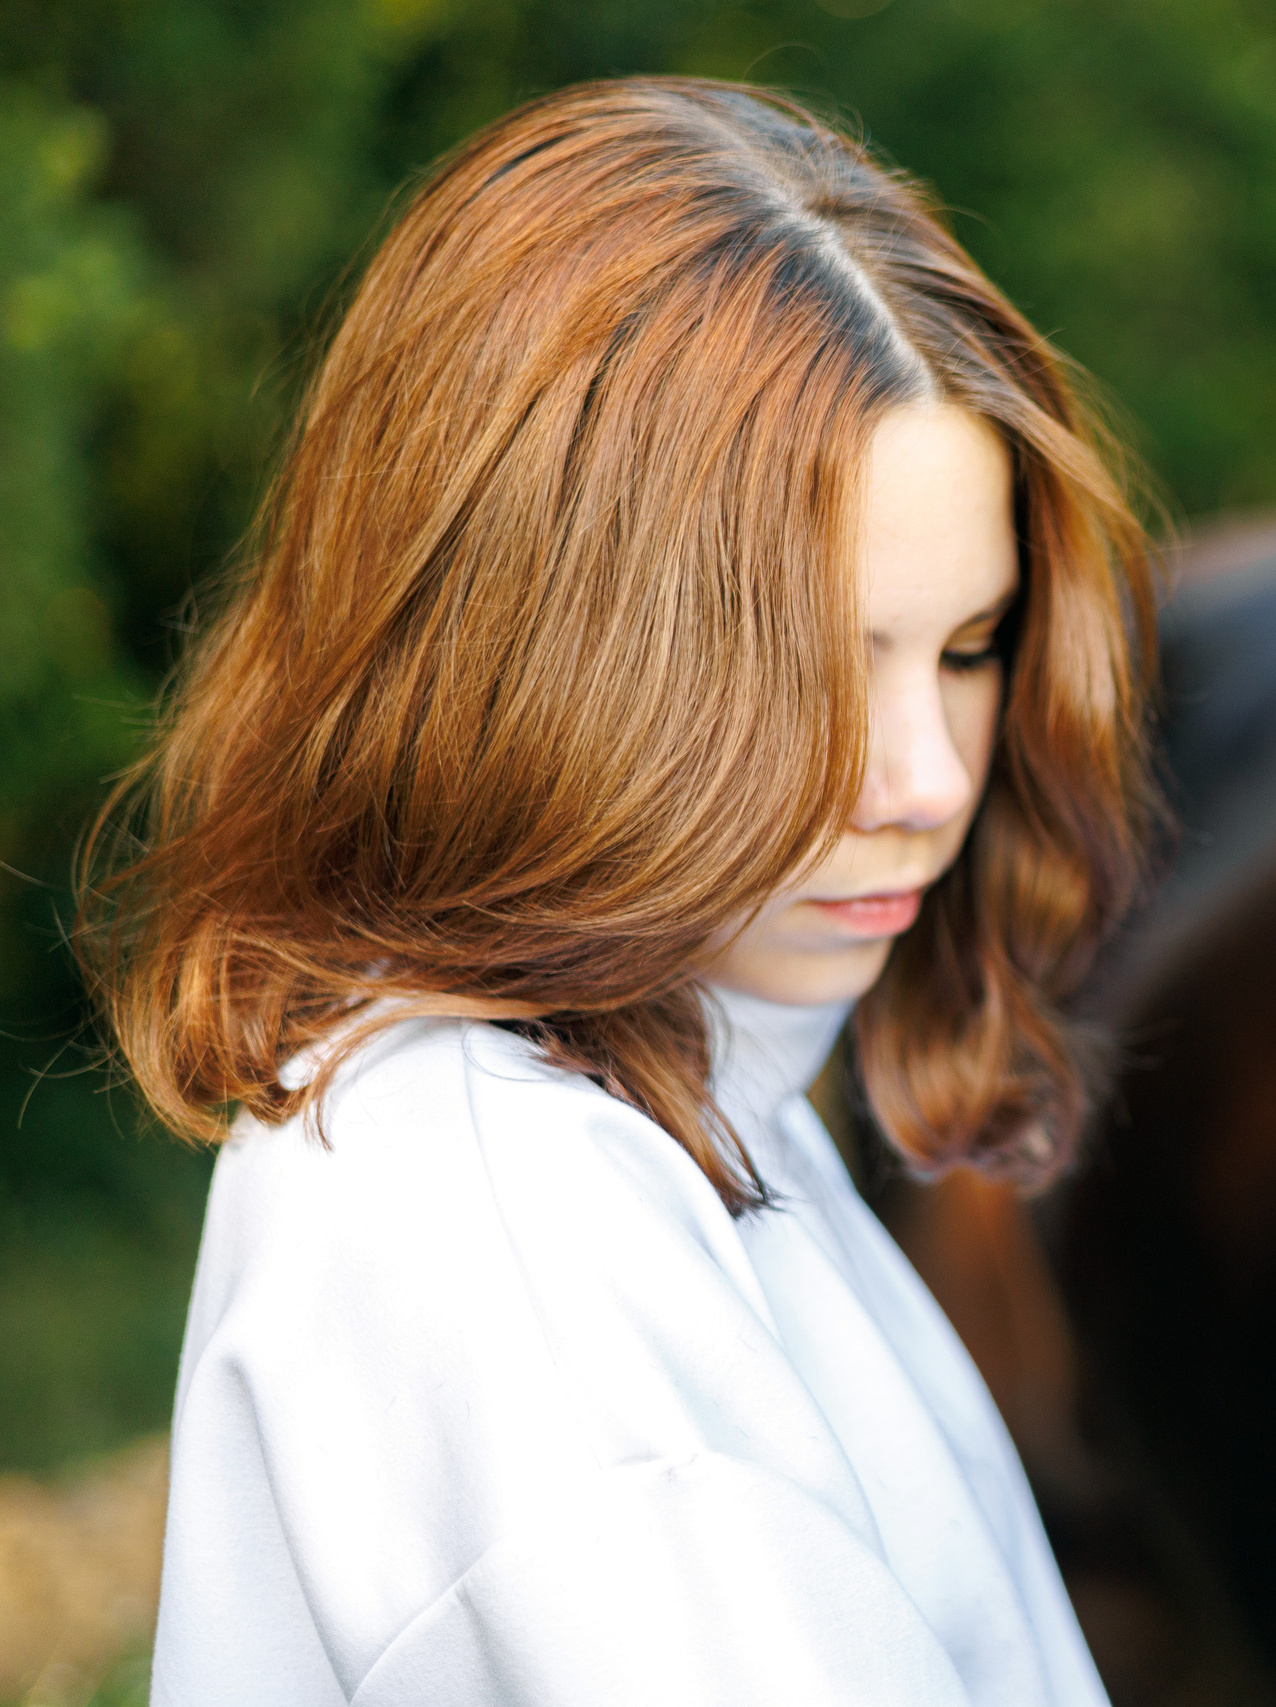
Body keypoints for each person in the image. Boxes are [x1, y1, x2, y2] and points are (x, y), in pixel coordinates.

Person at [78, 76, 1156, 1706]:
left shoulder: (682, 1096)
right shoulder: (520, 1249)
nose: (929, 778)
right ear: (548, 649)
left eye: (968, 648)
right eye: (816, 667)